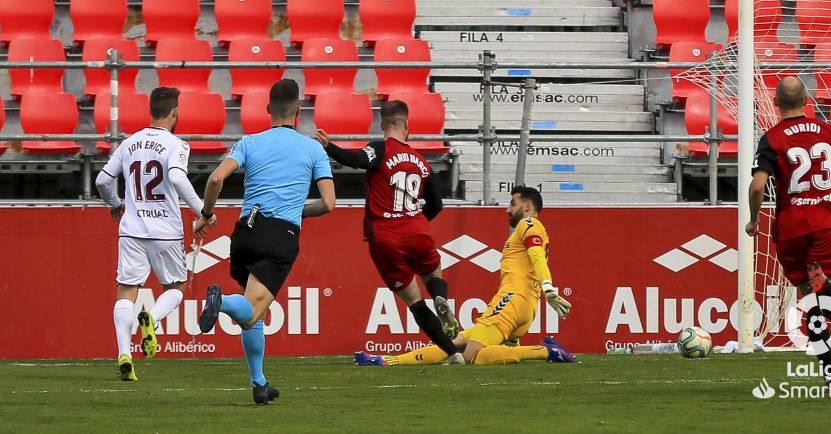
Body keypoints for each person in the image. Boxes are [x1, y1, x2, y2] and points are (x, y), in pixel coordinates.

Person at [194, 79, 336, 404]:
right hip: (280, 234)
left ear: (268, 109)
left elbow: (216, 177)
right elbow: (328, 203)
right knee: (250, 310)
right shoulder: (314, 148)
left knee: (254, 308)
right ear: (298, 113)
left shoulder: (249, 142)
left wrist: (206, 213)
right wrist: (298, 212)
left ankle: (259, 383)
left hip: (245, 232)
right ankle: (221, 302)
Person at [355, 186, 576, 366]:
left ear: (528, 206)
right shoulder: (532, 228)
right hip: (525, 305)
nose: (508, 209)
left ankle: (545, 351)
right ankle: (387, 361)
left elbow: (536, 255)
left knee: (472, 356)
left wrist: (548, 287)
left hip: (512, 299)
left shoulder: (529, 224)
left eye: (513, 203)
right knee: (453, 344)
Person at [315, 100, 463, 364]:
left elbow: (357, 160)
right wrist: (416, 218)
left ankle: (452, 353)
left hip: (386, 237)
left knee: (415, 302)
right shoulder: (421, 161)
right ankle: (441, 298)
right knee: (433, 274)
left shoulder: (380, 149)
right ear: (407, 125)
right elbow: (437, 204)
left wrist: (329, 147)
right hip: (416, 230)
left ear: (382, 125)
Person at [746, 76, 831, 388]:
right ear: (807, 100)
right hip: (824, 222)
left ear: (775, 103)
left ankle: (829, 373)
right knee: (829, 302)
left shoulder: (771, 137)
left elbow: (757, 186)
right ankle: (823, 293)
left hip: (789, 228)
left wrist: (754, 220)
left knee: (811, 301)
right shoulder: (828, 131)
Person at [95, 87, 211, 381]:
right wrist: (203, 211)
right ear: (175, 113)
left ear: (151, 111)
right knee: (175, 287)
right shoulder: (177, 144)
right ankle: (152, 318)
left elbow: (102, 180)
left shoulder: (129, 142)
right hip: (166, 231)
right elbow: (175, 176)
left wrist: (115, 203)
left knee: (127, 289)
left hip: (132, 229)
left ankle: (124, 354)